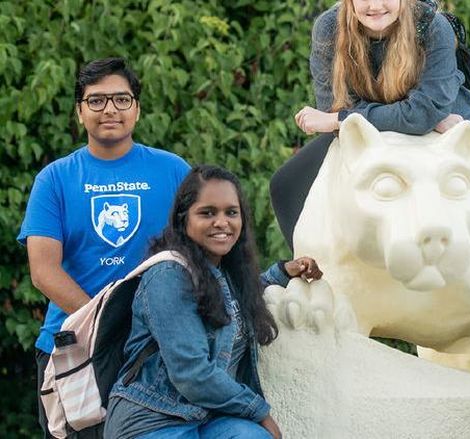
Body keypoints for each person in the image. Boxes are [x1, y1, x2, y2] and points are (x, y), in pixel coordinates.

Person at [270, 0, 470, 285]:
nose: (375, 5)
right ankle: (322, 285)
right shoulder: (329, 27)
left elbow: (412, 112)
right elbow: (335, 109)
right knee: (286, 187)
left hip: (448, 120)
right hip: (375, 127)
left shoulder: (431, 25)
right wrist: (413, 115)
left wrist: (422, 117)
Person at [17, 57, 191, 438]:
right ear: (80, 112)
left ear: (137, 109)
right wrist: (106, 325)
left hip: (153, 347)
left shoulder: (174, 171)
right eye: (96, 100)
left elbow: (197, 254)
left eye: (121, 99)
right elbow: (43, 271)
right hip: (73, 347)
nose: (110, 109)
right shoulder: (55, 179)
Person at [103, 165, 321, 439]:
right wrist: (260, 412)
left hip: (205, 417)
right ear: (184, 219)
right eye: (207, 213)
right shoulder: (167, 276)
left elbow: (236, 300)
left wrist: (284, 272)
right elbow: (191, 373)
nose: (222, 222)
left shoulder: (224, 272)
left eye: (231, 212)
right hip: (153, 419)